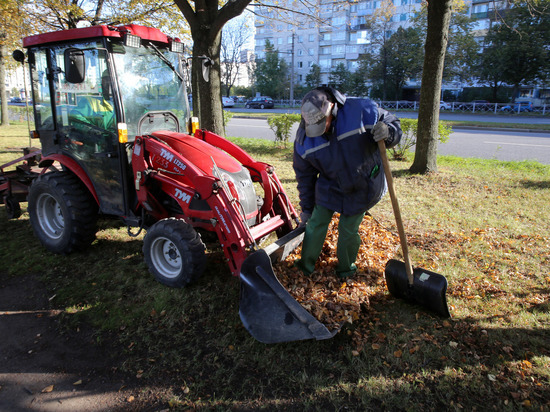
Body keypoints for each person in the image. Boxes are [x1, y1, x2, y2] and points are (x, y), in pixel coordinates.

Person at [293, 87, 402, 278]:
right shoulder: (304, 140)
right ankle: (305, 266)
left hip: (362, 182)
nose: (321, 130)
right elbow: (305, 178)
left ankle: (345, 269)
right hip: (330, 184)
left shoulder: (362, 110)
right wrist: (307, 209)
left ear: (331, 108)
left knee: (348, 230)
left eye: (322, 123)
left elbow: (391, 122)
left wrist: (389, 132)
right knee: (315, 222)